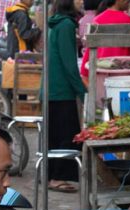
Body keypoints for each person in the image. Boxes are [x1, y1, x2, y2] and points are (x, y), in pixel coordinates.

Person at [47, 0, 85, 192]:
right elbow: (69, 65)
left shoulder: (54, 23)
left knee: (54, 135)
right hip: (61, 90)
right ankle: (57, 177)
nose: (82, 1)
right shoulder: (66, 25)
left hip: (51, 89)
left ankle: (50, 176)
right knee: (67, 136)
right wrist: (83, 92)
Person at [79, 0, 130, 79]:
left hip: (101, 70)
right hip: (122, 72)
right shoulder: (127, 19)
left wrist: (84, 72)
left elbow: (90, 50)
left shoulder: (97, 19)